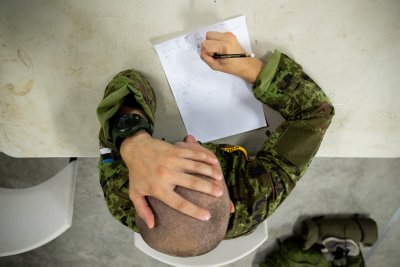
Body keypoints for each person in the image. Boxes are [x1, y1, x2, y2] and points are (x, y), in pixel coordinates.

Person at [96, 31, 335, 256]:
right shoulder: (255, 195)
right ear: (231, 204)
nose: (191, 139)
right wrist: (250, 67)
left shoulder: (124, 193)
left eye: (177, 153)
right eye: (203, 163)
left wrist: (133, 142)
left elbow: (130, 79)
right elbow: (315, 113)